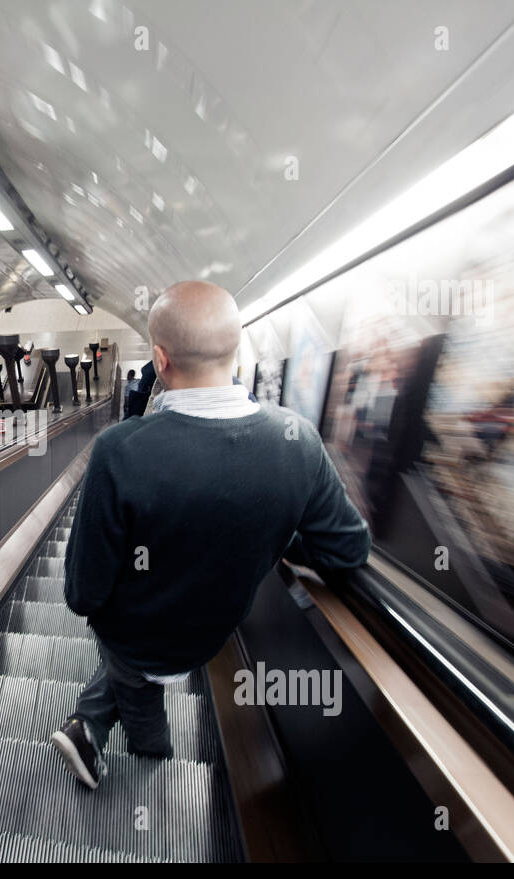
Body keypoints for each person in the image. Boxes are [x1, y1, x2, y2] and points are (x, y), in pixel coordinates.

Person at [50, 281, 370, 788]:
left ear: (160, 359)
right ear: (237, 347)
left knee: (136, 686)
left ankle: (149, 770)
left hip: (139, 639)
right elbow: (347, 549)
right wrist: (273, 534)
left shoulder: (120, 451)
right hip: (210, 635)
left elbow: (83, 592)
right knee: (130, 666)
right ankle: (87, 721)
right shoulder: (299, 442)